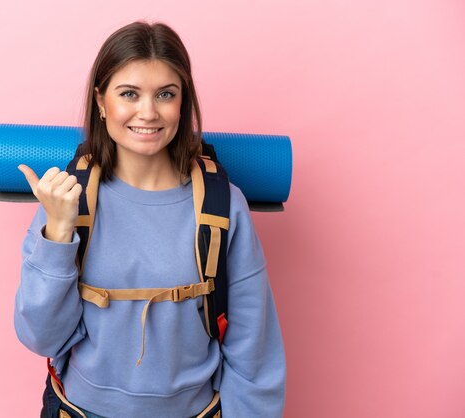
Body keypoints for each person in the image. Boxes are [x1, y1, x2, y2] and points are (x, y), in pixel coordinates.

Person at [14, 20, 286, 418]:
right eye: (129, 93)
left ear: (182, 103)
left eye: (165, 94)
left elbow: (254, 351)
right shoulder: (68, 200)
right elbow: (41, 337)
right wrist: (57, 233)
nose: (148, 112)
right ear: (102, 102)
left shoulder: (223, 205)